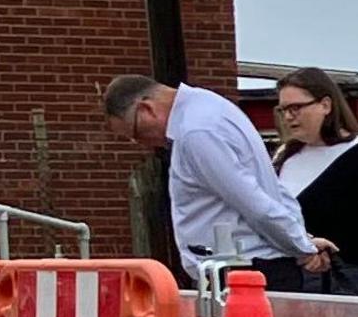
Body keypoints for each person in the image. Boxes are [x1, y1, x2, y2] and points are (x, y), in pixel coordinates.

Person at [100, 73, 334, 289]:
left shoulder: (196, 132)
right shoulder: (212, 106)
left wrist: (302, 247)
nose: (142, 142)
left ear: (146, 110)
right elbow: (268, 185)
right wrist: (302, 240)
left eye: (136, 133)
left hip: (241, 272)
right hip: (253, 266)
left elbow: (253, 202)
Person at [266, 68, 358, 296]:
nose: (288, 117)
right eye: (283, 110)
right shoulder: (283, 157)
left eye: (296, 108)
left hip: (348, 286)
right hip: (288, 282)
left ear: (326, 105)